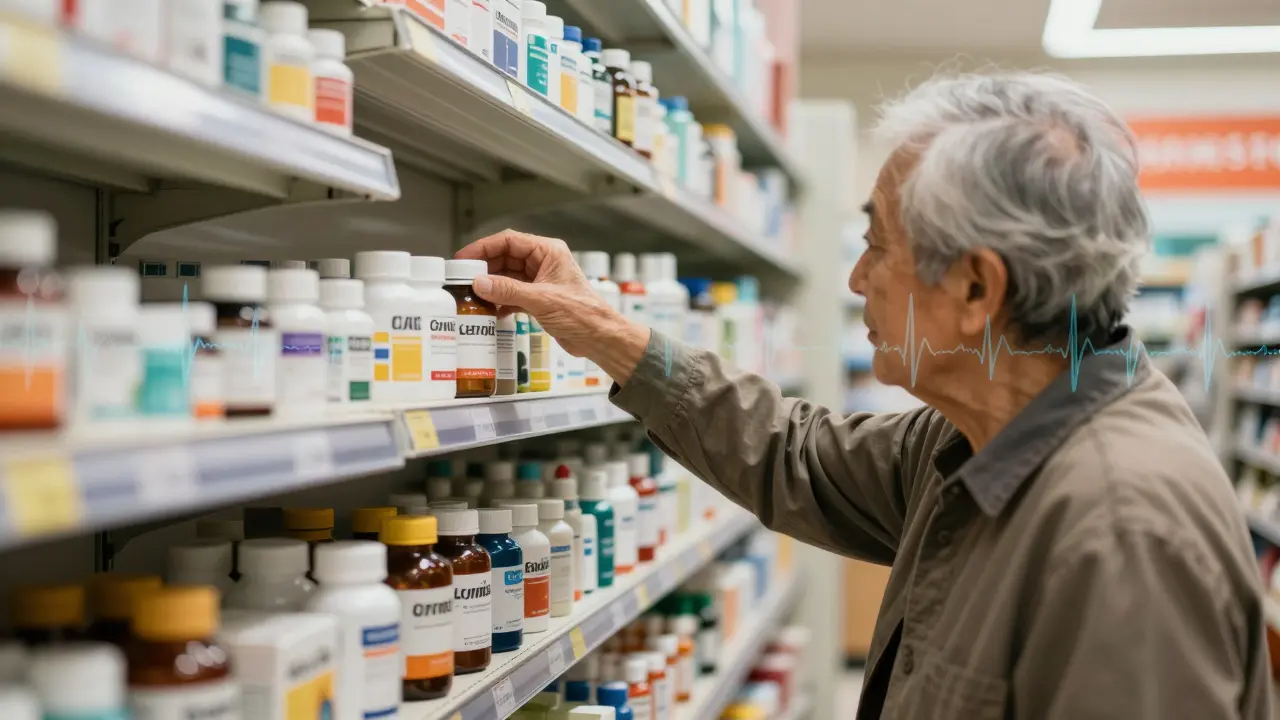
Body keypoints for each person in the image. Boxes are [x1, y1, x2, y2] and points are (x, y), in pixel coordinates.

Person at [456, 72, 1272, 719]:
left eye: (877, 245)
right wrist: (599, 325)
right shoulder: (976, 437)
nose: (855, 279)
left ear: (977, 288)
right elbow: (792, 451)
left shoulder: (1120, 531)